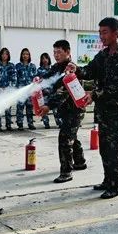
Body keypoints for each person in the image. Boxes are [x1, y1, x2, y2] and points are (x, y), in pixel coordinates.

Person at [66, 17, 118, 199]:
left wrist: (94, 95)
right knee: (104, 147)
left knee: (116, 150)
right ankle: (107, 180)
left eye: (105, 32)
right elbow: (90, 71)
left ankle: (115, 185)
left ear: (116, 33)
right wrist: (76, 69)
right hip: (104, 111)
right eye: (100, 32)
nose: (101, 36)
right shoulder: (103, 55)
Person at [39, 40, 87, 183]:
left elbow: (63, 92)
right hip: (64, 110)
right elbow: (47, 79)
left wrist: (48, 106)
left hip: (75, 110)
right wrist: (38, 82)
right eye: (54, 52)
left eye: (59, 52)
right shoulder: (56, 67)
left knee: (65, 138)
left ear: (68, 52)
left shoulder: (71, 69)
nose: (56, 55)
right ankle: (80, 161)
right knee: (72, 136)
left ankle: (66, 172)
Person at [0, 47, 17, 131]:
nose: (4, 55)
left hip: (8, 91)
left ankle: (8, 125)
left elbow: (14, 79)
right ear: (0, 55)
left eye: (6, 54)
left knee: (8, 109)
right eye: (2, 54)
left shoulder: (11, 66)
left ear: (8, 55)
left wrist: (8, 88)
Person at [15, 48, 37, 131]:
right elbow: (15, 78)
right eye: (23, 54)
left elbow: (35, 79)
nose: (25, 56)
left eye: (27, 54)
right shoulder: (17, 66)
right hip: (21, 91)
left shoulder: (32, 66)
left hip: (30, 91)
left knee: (30, 108)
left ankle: (30, 123)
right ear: (21, 55)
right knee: (20, 108)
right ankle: (20, 124)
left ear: (29, 56)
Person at [36, 52, 54, 129]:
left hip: (52, 92)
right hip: (43, 93)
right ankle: (46, 123)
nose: (44, 60)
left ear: (49, 59)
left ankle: (59, 122)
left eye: (46, 58)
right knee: (43, 108)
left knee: (55, 108)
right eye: (43, 58)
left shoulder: (52, 69)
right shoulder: (39, 70)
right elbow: (37, 81)